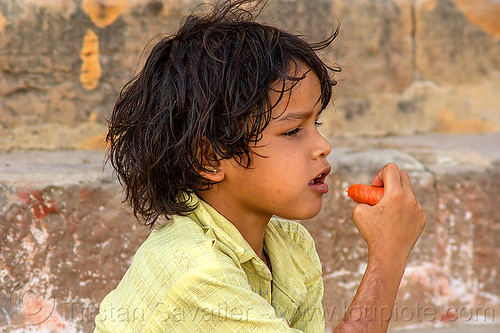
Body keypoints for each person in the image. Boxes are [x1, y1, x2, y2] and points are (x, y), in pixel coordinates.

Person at [93, 0, 426, 332]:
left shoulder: (290, 246)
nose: (323, 147)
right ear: (209, 158)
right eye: (293, 130)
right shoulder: (198, 275)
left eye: (317, 125)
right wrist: (388, 254)